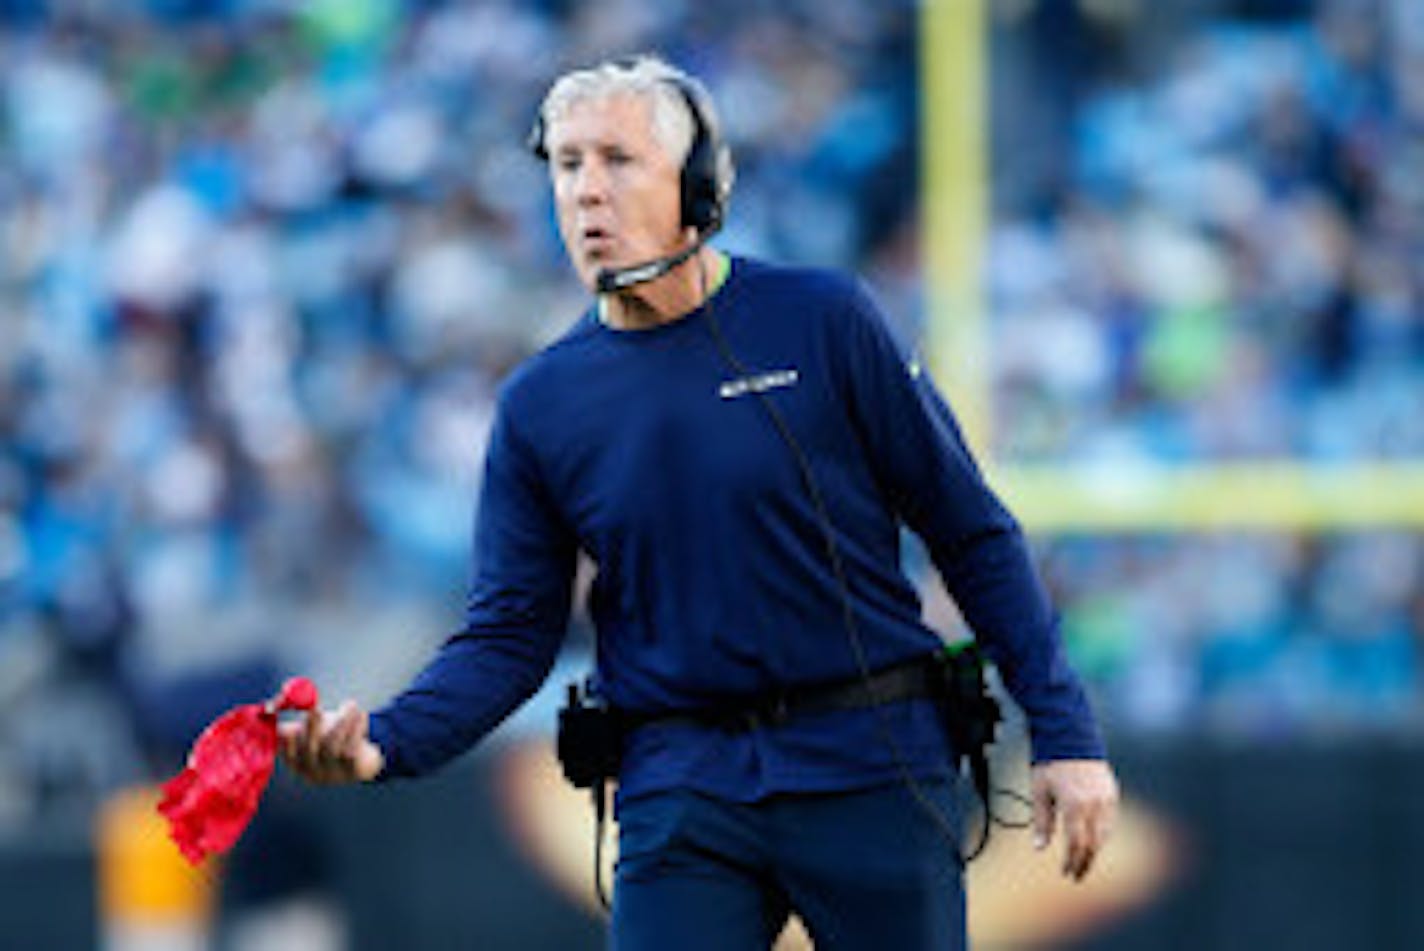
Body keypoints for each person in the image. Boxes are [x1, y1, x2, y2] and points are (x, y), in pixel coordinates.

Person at [280, 54, 1119, 949]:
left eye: (617, 159)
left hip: (870, 762)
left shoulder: (825, 321)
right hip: (680, 784)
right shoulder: (541, 402)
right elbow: (509, 636)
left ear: (700, 185)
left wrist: (1067, 732)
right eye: (567, 165)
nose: (586, 192)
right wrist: (389, 741)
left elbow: (972, 532)